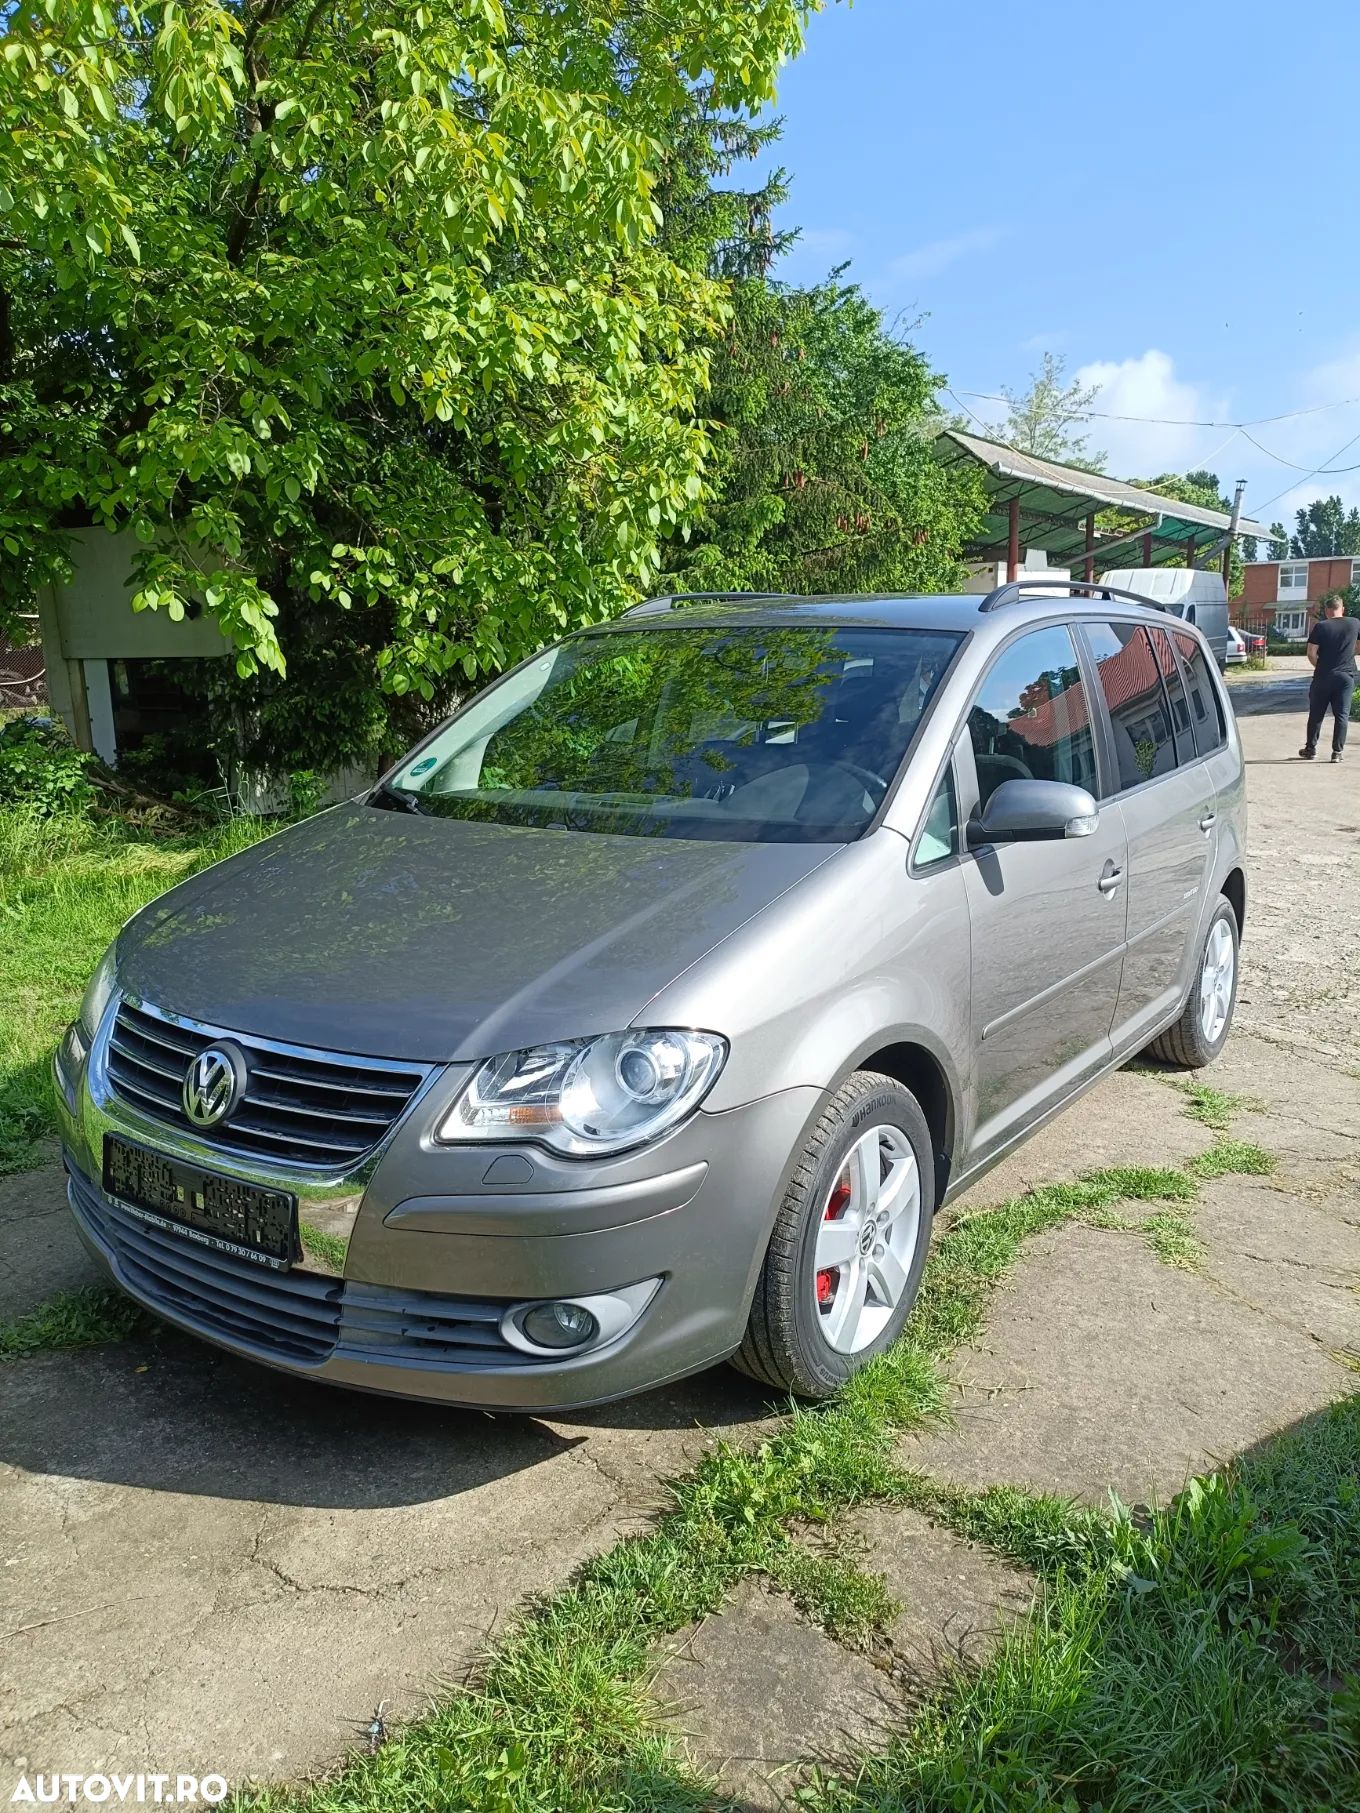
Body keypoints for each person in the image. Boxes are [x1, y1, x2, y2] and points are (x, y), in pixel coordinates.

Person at [1300, 595, 1359, 763]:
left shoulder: (1321, 626)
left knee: (1316, 714)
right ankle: (1337, 753)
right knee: (1342, 715)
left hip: (1323, 676)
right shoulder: (1354, 623)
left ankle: (1310, 749)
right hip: (1345, 677)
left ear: (1326, 610)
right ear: (1343, 609)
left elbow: (1311, 652)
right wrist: (1349, 654)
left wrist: (1320, 666)